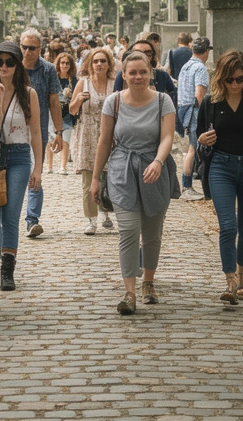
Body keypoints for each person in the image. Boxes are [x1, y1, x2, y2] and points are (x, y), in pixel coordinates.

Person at [91, 50, 178, 315]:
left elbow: (167, 138)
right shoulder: (113, 102)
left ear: (150, 73)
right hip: (122, 171)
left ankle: (148, 281)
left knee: (152, 233)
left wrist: (158, 161)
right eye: (132, 72)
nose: (137, 77)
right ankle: (129, 292)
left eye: (143, 72)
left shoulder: (164, 102)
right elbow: (105, 141)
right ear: (124, 75)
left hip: (154, 170)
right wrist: (95, 178)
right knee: (128, 230)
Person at [196, 51, 243, 303]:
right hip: (221, 165)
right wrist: (202, 139)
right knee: (228, 226)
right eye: (230, 79)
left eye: (240, 79)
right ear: (221, 78)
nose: (235, 84)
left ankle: (242, 273)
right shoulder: (211, 102)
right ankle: (230, 279)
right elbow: (198, 134)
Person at [0, 42, 43, 290]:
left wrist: (38, 168)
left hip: (18, 155)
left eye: (10, 62)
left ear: (18, 65)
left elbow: (36, 132)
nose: (4, 66)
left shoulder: (28, 93)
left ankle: (8, 268)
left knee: (11, 213)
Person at [19, 28, 64, 238]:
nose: (27, 52)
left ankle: (32, 220)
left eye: (32, 48)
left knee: (34, 173)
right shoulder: (11, 67)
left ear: (40, 49)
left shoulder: (47, 70)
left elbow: (54, 101)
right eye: (24, 47)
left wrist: (59, 131)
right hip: (12, 131)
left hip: (37, 131)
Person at [71, 47, 116, 234]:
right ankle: (91, 219)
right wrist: (79, 99)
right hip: (87, 134)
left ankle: (105, 211)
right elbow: (72, 110)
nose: (99, 64)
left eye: (103, 61)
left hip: (109, 134)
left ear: (108, 64)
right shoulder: (83, 83)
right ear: (90, 64)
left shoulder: (114, 83)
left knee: (109, 176)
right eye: (96, 61)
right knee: (88, 179)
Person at [178, 37, 211, 201]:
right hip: (194, 109)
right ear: (206, 51)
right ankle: (187, 186)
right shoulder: (200, 68)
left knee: (191, 148)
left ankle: (187, 185)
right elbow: (199, 94)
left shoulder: (186, 66)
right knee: (192, 148)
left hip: (183, 108)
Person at [112, 39, 178, 106]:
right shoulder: (122, 75)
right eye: (138, 53)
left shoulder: (162, 75)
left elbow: (173, 97)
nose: (143, 56)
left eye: (148, 54)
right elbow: (116, 101)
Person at [51, 52, 79, 175]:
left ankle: (63, 166)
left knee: (66, 139)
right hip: (53, 111)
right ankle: (50, 166)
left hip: (67, 113)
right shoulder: (53, 78)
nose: (65, 65)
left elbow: (77, 97)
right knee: (51, 139)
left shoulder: (73, 80)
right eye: (62, 63)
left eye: (67, 63)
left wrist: (71, 95)